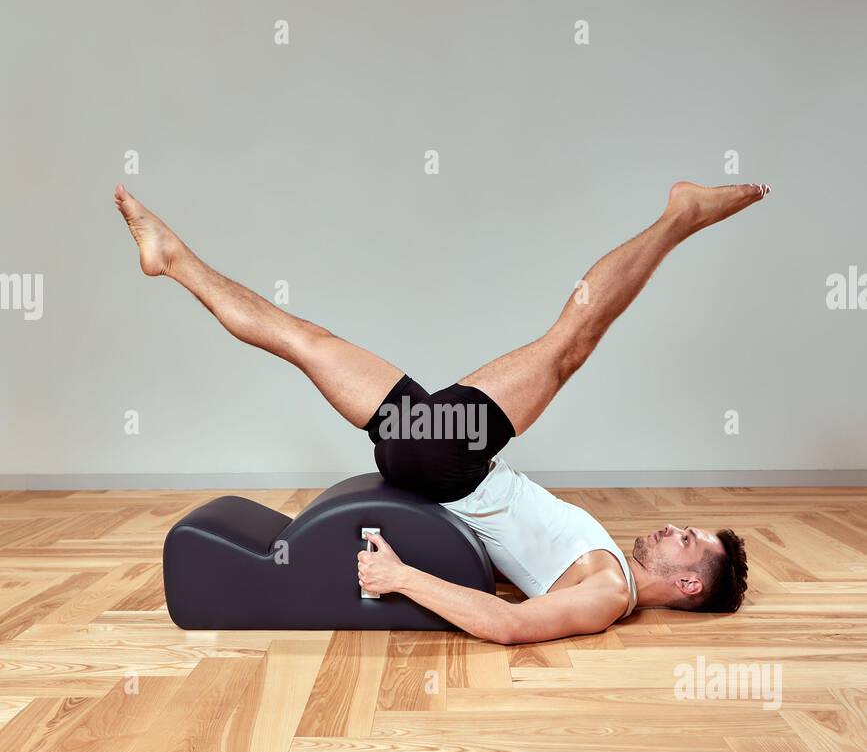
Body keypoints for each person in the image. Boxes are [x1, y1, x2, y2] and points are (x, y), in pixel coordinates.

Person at [115, 178, 764, 643]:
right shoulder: (610, 573)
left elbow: (507, 627)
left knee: (568, 343)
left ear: (687, 587)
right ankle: (173, 260)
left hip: (449, 464)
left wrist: (400, 576)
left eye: (686, 541)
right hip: (452, 459)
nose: (672, 530)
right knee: (306, 339)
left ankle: (679, 216)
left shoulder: (607, 594)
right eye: (685, 528)